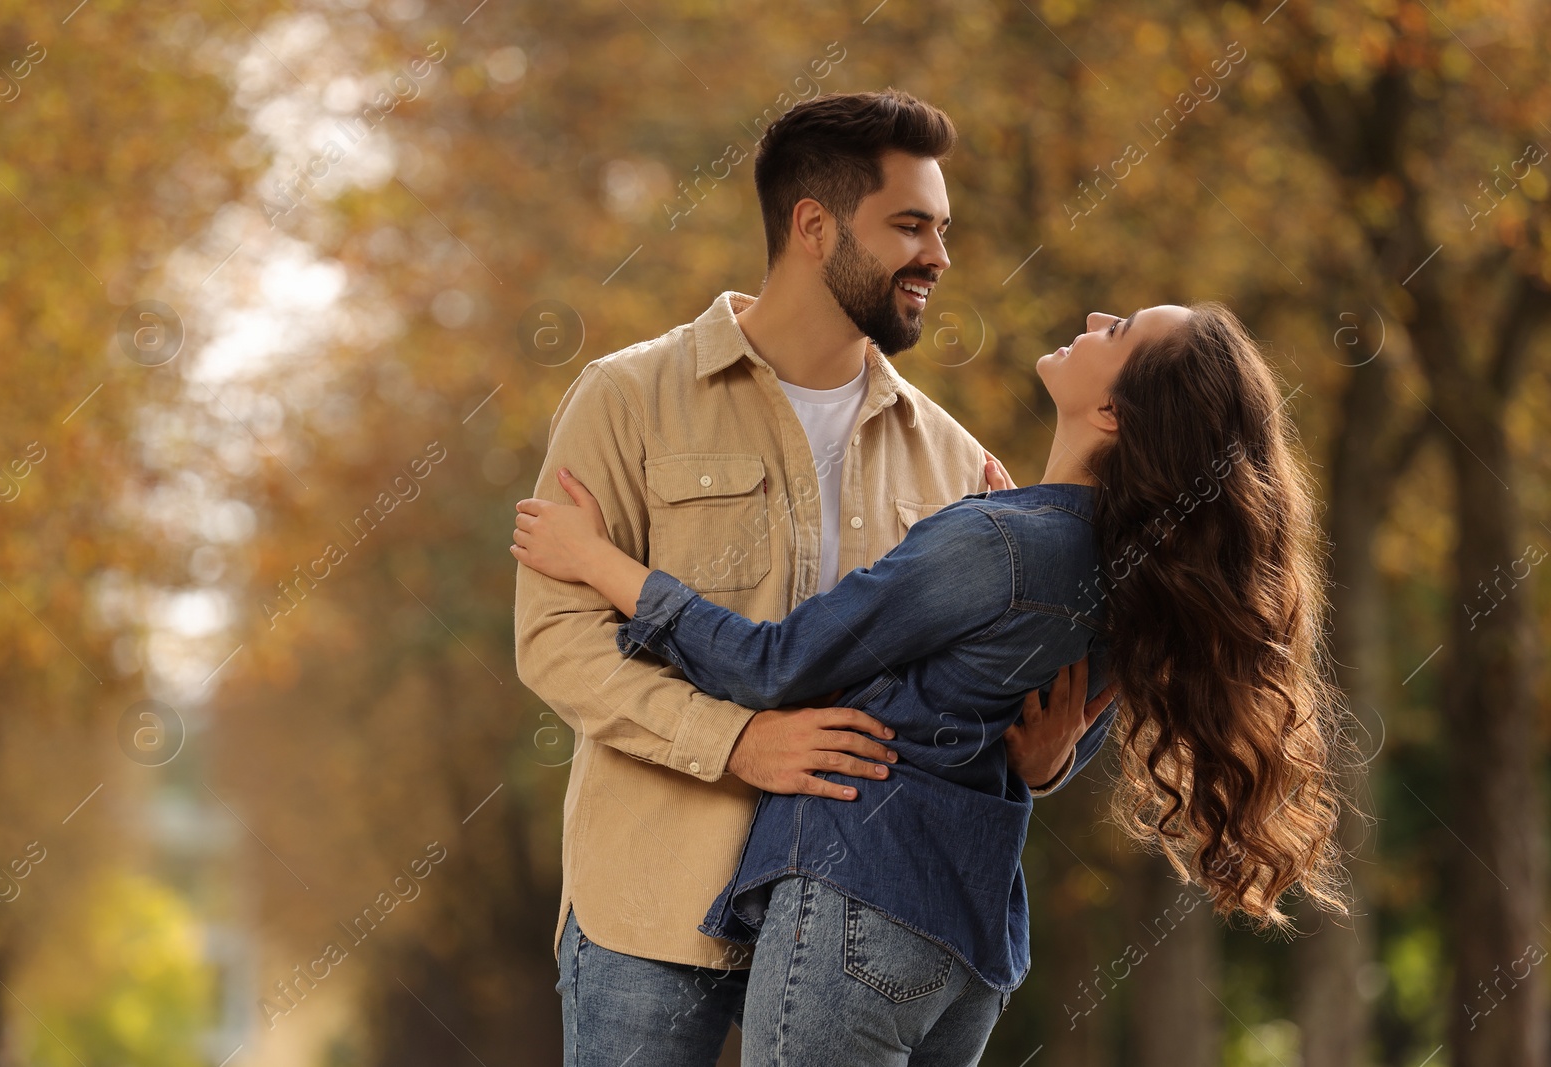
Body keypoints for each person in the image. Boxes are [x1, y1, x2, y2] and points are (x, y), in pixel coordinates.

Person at [512, 301, 1355, 1064]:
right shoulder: (1130, 569)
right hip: (970, 945)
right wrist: (1048, 759)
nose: (1097, 313)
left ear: (1112, 412)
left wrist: (604, 565)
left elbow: (774, 664)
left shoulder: (1000, 539)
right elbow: (1052, 732)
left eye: (1120, 329)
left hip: (861, 900)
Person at [512, 88, 1111, 1066]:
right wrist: (733, 740)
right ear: (813, 225)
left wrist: (1052, 756)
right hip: (653, 907)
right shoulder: (629, 398)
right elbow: (555, 642)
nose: (939, 256)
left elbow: (1010, 674)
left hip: (863, 908)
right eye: (910, 225)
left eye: (944, 228)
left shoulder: (959, 461)